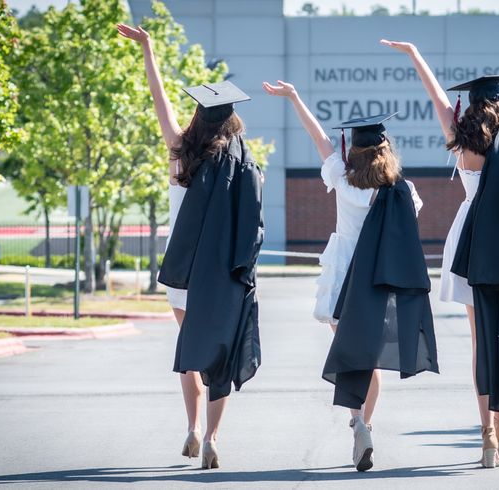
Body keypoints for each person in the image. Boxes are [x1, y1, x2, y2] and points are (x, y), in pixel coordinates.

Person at [382, 39, 499, 469]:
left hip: (473, 240)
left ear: (472, 108)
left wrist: (414, 55)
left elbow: (438, 98)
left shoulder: (460, 141)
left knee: (481, 342)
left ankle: (486, 435)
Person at [263, 80, 437, 472]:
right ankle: (364, 423)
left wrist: (294, 96)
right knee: (370, 359)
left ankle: (357, 421)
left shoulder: (341, 177)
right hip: (377, 279)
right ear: (386, 150)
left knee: (350, 352)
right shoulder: (403, 191)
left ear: (352, 150)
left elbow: (319, 137)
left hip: (342, 276)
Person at [117, 24, 264, 470]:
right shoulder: (244, 164)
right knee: (219, 353)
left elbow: (158, 100)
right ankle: (215, 436)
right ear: (233, 121)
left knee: (190, 346)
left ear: (199, 118)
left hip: (183, 274)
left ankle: (193, 428)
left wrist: (148, 49)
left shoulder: (179, 152)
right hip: (224, 276)